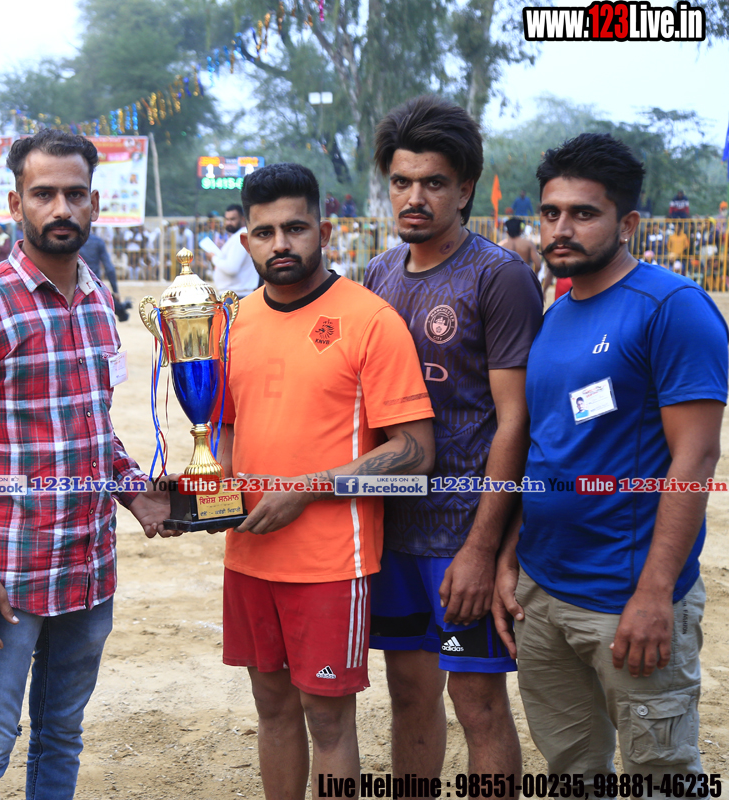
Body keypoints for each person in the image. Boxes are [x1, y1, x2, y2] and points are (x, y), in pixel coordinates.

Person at [0, 128, 171, 800]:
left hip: (89, 568)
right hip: (9, 574)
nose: (60, 208)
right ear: (16, 203)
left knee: (62, 733)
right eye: (43, 194)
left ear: (94, 202)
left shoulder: (98, 300)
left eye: (74, 193)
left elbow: (95, 433)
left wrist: (137, 493)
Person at [494, 132, 727, 779]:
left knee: (662, 776)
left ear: (627, 223)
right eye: (550, 212)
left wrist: (655, 594)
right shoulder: (557, 313)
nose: (561, 229)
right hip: (543, 593)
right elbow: (548, 451)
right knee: (572, 769)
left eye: (583, 213)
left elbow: (695, 461)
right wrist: (511, 556)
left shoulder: (672, 308)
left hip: (629, 599)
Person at [213, 162, 435, 797]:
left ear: (326, 232)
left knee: (328, 719)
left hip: (332, 563)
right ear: (246, 240)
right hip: (250, 553)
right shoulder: (229, 322)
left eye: (296, 228)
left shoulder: (370, 319)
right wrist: (203, 496)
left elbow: (416, 452)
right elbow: (224, 431)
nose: (280, 244)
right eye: (264, 232)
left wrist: (308, 488)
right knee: (271, 708)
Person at [363, 94, 538, 786]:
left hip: (463, 540)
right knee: (409, 695)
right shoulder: (377, 275)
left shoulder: (500, 277)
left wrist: (482, 549)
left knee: (477, 703)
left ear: (465, 189)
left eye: (433, 182)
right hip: (393, 538)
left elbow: (515, 421)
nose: (415, 198)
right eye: (402, 182)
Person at [78, 228, 130, 321]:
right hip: (93, 284)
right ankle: (121, 311)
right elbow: (109, 268)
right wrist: (115, 291)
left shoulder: (73, 242)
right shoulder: (98, 242)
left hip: (75, 285)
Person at [211, 203, 257, 298]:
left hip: (236, 294)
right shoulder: (237, 236)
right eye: (227, 219)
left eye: (232, 219)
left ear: (242, 219)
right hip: (235, 293)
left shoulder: (240, 236)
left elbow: (232, 268)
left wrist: (213, 257)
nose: (229, 223)